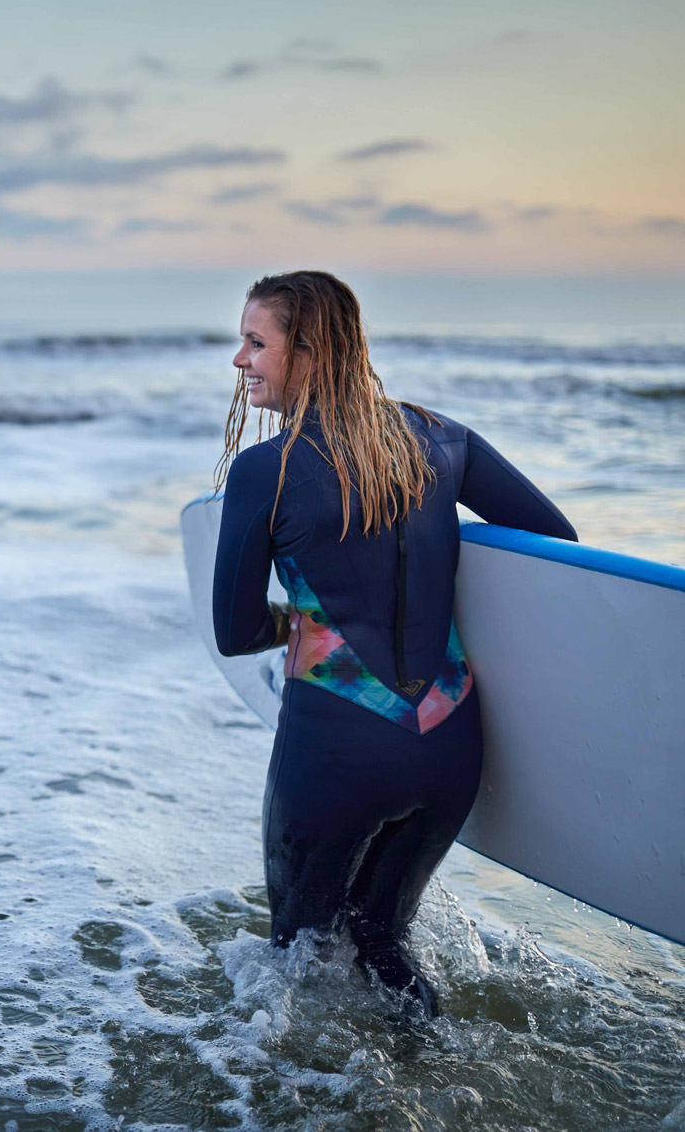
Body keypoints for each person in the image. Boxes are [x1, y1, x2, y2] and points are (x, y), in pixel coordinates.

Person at [211, 271, 575, 1018]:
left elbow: (234, 629)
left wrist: (300, 622)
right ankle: (438, 1065)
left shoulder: (264, 471)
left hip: (337, 749)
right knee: (385, 944)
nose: (239, 360)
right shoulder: (442, 438)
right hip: (449, 743)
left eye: (256, 342)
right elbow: (555, 539)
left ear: (308, 351)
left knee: (297, 965)